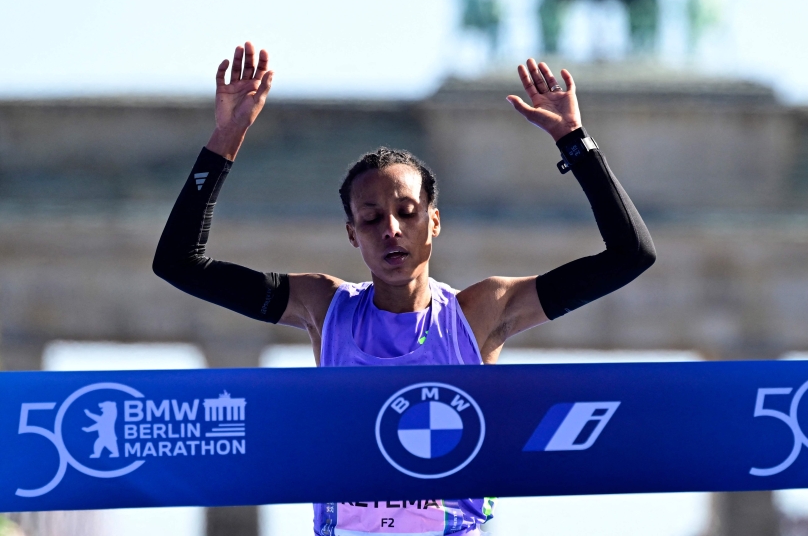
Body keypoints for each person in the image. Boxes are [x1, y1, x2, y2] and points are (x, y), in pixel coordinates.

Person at [152, 42, 656, 536]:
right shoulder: (324, 307)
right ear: (352, 234)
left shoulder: (480, 313)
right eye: (371, 218)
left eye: (407, 214)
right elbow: (179, 264)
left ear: (434, 222)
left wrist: (574, 139)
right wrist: (226, 137)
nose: (391, 229)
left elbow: (630, 255)